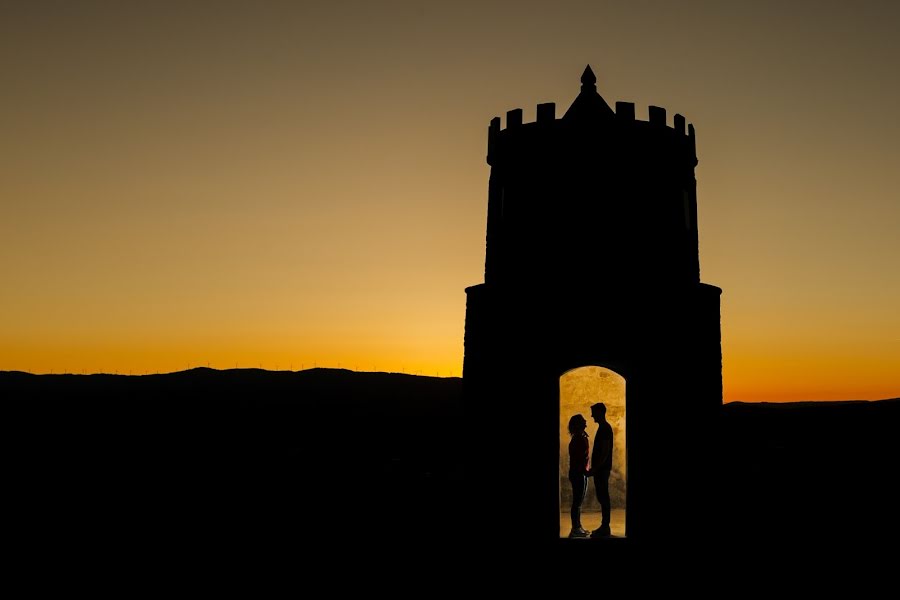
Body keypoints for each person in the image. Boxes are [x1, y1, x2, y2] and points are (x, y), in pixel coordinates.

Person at [588, 402, 613, 537]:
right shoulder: (603, 428)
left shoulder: (605, 428)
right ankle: (605, 526)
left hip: (602, 470)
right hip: (601, 469)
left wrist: (596, 468)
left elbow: (605, 451)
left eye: (593, 412)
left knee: (603, 497)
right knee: (603, 497)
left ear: (600, 412)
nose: (592, 416)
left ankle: (605, 527)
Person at [566, 414, 590, 538]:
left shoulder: (580, 437)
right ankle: (575, 528)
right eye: (583, 420)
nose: (586, 420)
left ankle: (578, 526)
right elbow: (578, 458)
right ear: (579, 424)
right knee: (577, 502)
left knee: (579, 502)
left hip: (581, 472)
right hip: (578, 473)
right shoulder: (578, 438)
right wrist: (584, 471)